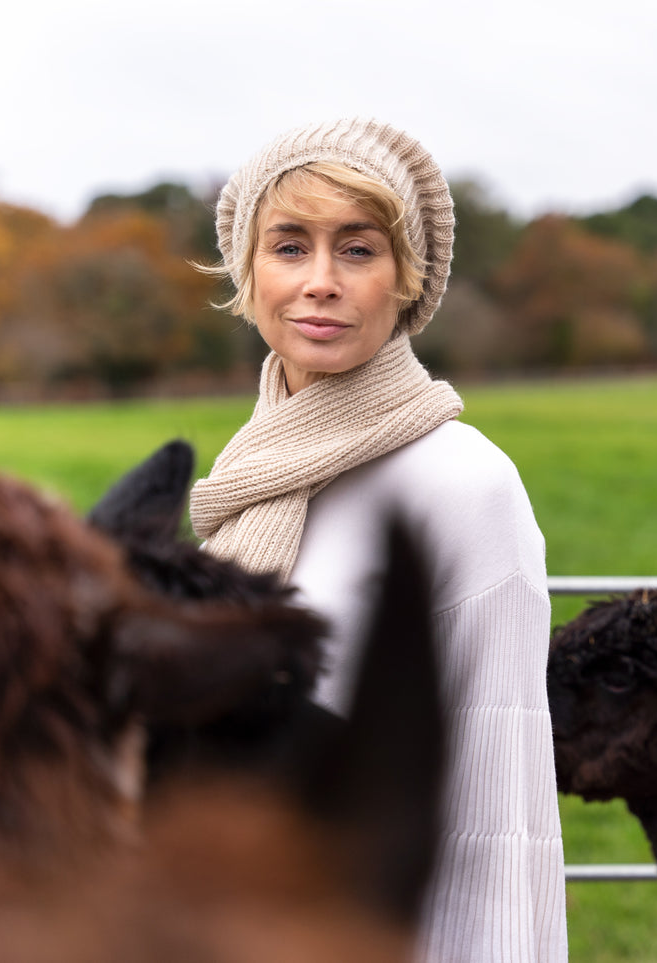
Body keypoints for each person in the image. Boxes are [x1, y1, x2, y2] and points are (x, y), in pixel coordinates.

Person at [187, 118, 568, 962]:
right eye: (289, 246)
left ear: (408, 281)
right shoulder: (253, 472)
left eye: (357, 250)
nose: (319, 281)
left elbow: (494, 809)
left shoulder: (465, 485)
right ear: (247, 272)